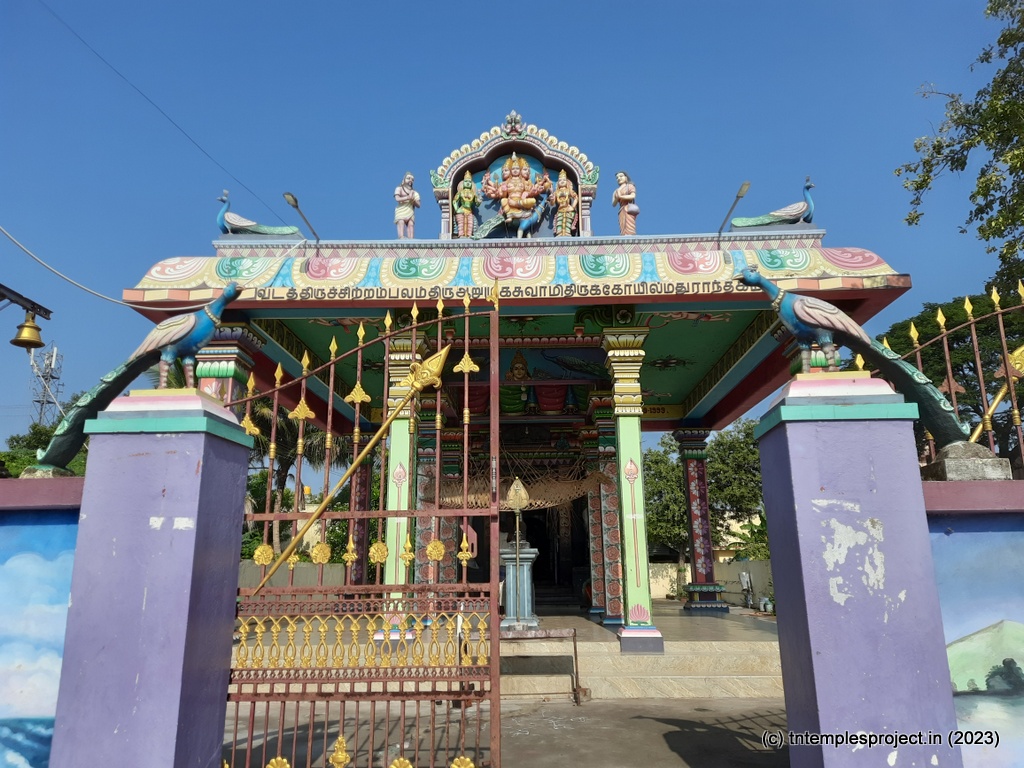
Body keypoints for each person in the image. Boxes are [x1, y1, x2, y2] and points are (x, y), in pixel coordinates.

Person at [452, 171, 481, 238]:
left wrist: (479, 200)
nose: (467, 183)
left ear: (471, 184)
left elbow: (477, 204)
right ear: (463, 183)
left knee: (470, 224)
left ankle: (469, 236)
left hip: (469, 211)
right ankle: (461, 235)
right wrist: (457, 209)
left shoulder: (473, 194)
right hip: (461, 210)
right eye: (466, 181)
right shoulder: (460, 192)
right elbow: (454, 201)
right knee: (461, 224)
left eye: (469, 182)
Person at [551, 170, 578, 237]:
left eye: (564, 180)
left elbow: (576, 198)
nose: (562, 181)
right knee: (559, 221)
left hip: (568, 209)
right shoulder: (556, 192)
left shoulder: (569, 190)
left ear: (567, 182)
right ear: (558, 183)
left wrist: (572, 207)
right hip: (560, 210)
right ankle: (560, 234)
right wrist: (551, 198)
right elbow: (552, 203)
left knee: (567, 221)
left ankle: (567, 233)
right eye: (560, 180)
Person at [394, 172, 421, 239]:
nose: (410, 180)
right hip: (401, 210)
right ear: (404, 180)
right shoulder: (399, 188)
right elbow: (397, 199)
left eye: (412, 179)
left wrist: (413, 200)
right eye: (408, 178)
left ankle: (411, 240)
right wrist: (407, 197)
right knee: (401, 222)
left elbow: (418, 205)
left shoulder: (414, 193)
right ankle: (401, 237)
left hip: (410, 211)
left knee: (411, 224)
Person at [612, 171, 638, 235]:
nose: (619, 178)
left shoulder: (629, 186)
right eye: (617, 177)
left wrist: (621, 197)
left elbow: (632, 196)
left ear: (626, 177)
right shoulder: (616, 191)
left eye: (621, 176)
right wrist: (617, 198)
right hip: (621, 210)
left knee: (629, 226)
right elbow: (613, 204)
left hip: (628, 208)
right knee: (623, 226)